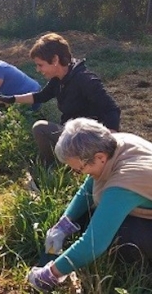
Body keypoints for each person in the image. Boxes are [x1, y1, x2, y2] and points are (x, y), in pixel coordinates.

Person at [28, 117, 152, 292]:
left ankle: (140, 274)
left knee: (123, 237)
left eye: (79, 169)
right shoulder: (113, 143)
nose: (77, 174)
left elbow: (93, 243)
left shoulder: (125, 181)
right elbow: (88, 187)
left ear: (99, 157)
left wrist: (51, 274)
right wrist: (64, 224)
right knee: (88, 215)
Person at [0, 33, 121, 166]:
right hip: (71, 134)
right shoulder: (58, 79)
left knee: (40, 128)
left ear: (55, 60)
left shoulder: (85, 80)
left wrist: (110, 144)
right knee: (43, 129)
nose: (37, 70)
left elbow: (112, 109)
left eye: (40, 65)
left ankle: (51, 168)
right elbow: (41, 96)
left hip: (86, 140)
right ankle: (58, 165)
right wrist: (11, 99)